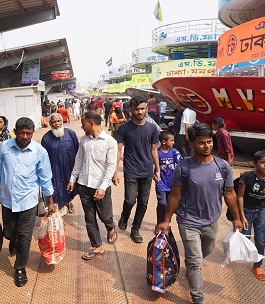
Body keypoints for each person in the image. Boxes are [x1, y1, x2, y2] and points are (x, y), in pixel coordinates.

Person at [155, 122, 241, 304]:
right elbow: (175, 196)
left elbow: (229, 193)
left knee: (205, 252)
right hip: (188, 221)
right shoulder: (183, 167)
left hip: (212, 221)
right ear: (191, 143)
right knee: (195, 261)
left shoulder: (223, 166)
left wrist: (236, 217)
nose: (207, 146)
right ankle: (198, 300)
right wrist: (166, 220)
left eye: (209, 142)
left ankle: (192, 269)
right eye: (202, 143)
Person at [0, 117, 55, 288]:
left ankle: (20, 268)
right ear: (15, 131)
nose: (24, 136)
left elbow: (45, 178)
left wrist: (50, 201)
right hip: (7, 200)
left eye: (28, 133)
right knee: (9, 232)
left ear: (32, 133)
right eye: (21, 133)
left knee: (25, 236)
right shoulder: (5, 147)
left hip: (28, 200)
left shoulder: (39, 151)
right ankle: (12, 241)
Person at [69, 111, 118, 259]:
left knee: (105, 216)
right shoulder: (84, 140)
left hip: (100, 187)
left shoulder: (110, 142)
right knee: (89, 218)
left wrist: (103, 187)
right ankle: (97, 246)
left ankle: (110, 227)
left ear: (91, 123)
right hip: (84, 184)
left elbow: (110, 167)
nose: (82, 127)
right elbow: (79, 160)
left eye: (83, 124)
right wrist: (72, 179)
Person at [115, 95, 160, 243]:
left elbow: (154, 149)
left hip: (147, 170)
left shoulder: (152, 128)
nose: (140, 112)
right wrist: (115, 171)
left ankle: (135, 229)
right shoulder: (124, 128)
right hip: (131, 170)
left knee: (143, 202)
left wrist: (157, 169)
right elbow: (118, 150)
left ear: (146, 109)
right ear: (131, 111)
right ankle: (125, 215)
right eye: (136, 109)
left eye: (142, 109)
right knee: (130, 200)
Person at [236, 150, 265, 281]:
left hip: (261, 212)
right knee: (245, 238)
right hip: (246, 210)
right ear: (255, 163)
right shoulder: (246, 177)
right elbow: (240, 196)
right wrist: (241, 216)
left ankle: (257, 265)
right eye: (262, 162)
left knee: (261, 239)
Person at [41, 113, 79, 215]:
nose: (56, 124)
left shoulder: (71, 134)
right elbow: (43, 158)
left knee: (70, 188)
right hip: (54, 170)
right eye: (53, 122)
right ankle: (59, 209)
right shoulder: (46, 138)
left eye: (58, 121)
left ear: (62, 121)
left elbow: (78, 151)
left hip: (70, 169)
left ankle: (68, 202)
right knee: (56, 190)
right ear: (50, 123)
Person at [156, 131, 182, 225]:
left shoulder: (174, 152)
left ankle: (166, 222)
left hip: (172, 184)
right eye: (171, 140)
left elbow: (181, 163)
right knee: (162, 203)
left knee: (171, 204)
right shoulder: (157, 153)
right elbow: (151, 165)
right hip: (161, 183)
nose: (173, 143)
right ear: (163, 142)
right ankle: (159, 223)